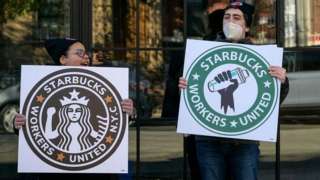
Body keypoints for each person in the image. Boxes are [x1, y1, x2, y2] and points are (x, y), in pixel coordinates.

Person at [179, 1, 289, 180]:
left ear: (246, 27)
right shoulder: (202, 53)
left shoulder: (261, 57)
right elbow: (193, 97)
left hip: (244, 142)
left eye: (237, 18)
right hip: (208, 140)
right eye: (227, 17)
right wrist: (185, 87)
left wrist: (282, 81)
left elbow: (273, 99)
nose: (230, 21)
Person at [14, 38, 134, 180]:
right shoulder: (39, 82)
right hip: (56, 173)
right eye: (79, 53)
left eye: (86, 53)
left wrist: (129, 111)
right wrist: (19, 123)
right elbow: (35, 128)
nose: (87, 57)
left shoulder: (105, 80)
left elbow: (114, 127)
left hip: (96, 173)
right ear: (63, 59)